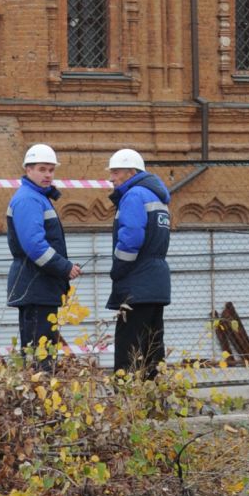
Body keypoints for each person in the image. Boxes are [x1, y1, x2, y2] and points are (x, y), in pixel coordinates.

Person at [6, 142, 80, 355]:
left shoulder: (37, 197)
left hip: (38, 284)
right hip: (35, 285)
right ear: (28, 169)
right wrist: (64, 267)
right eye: (41, 169)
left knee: (39, 351)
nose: (47, 175)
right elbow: (34, 245)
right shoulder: (29, 199)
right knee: (41, 354)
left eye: (51, 169)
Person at [106, 146, 171, 375]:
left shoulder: (133, 195)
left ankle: (126, 401)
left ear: (131, 173)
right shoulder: (157, 197)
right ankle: (152, 400)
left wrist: (118, 269)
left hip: (137, 283)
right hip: (156, 283)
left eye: (116, 172)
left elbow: (131, 238)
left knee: (129, 347)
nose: (111, 178)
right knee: (152, 346)